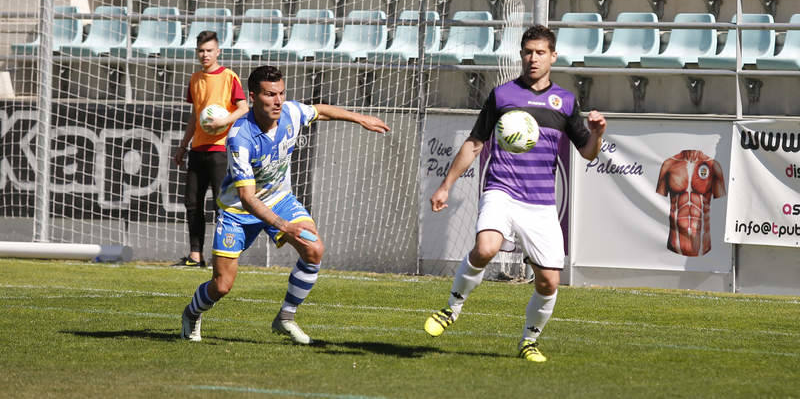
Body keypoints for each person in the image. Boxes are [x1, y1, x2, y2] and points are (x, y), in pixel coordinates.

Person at [424, 24, 606, 363]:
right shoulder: (502, 95)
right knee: (486, 247)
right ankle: (452, 308)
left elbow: (588, 153)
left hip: (540, 204)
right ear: (521, 55)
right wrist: (446, 184)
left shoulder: (565, 102)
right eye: (527, 52)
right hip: (501, 190)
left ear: (553, 56)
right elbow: (475, 143)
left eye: (540, 53)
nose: (533, 58)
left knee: (549, 282)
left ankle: (528, 341)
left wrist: (597, 134)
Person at [180, 65, 390, 344]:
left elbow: (320, 110)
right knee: (222, 285)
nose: (278, 101)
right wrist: (284, 227)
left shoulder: (291, 112)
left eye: (281, 93)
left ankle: (286, 317)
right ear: (253, 97)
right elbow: (247, 198)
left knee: (314, 249)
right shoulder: (240, 138)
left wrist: (359, 117)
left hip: (279, 199)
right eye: (270, 95)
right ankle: (192, 313)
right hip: (239, 212)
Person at [173, 30, 249, 267]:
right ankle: (196, 256)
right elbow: (195, 116)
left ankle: (223, 254)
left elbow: (244, 107)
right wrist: (183, 146)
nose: (205, 55)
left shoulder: (229, 76)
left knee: (221, 204)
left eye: (209, 50)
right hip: (197, 149)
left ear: (218, 52)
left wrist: (223, 122)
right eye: (201, 51)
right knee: (192, 202)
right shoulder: (195, 79)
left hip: (220, 149)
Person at [656, 150, 726, 256]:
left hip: (703, 247)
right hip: (674, 246)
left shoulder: (713, 166)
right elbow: (657, 202)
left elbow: (722, 206)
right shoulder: (669, 165)